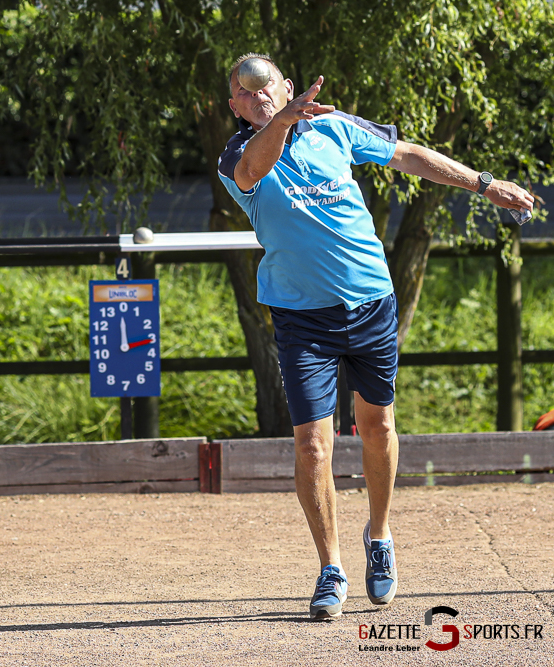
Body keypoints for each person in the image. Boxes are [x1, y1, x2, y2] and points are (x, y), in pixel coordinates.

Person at [217, 54, 533, 620]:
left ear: (287, 86)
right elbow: (250, 175)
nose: (256, 94)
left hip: (370, 303)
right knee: (313, 443)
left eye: (266, 85)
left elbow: (407, 153)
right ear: (236, 106)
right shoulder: (238, 155)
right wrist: (284, 120)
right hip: (300, 316)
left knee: (377, 424)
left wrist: (484, 184)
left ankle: (379, 536)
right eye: (244, 91)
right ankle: (330, 567)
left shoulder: (335, 128)